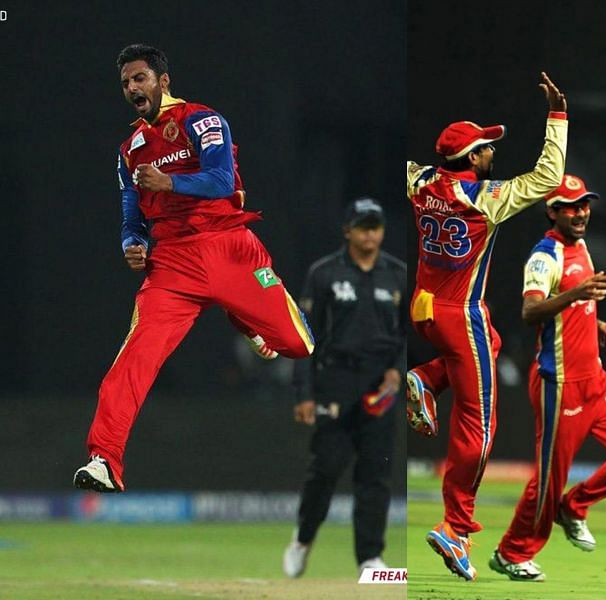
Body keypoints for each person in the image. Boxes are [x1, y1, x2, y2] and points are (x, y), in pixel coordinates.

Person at [73, 44, 314, 492]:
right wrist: (133, 244)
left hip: (229, 248)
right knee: (134, 358)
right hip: (173, 265)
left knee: (299, 345)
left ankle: (248, 319)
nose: (132, 88)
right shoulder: (130, 150)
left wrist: (170, 181)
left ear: (163, 81)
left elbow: (222, 180)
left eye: (139, 78)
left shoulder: (202, 120)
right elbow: (132, 218)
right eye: (126, 82)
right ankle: (104, 458)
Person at [406, 72, 568, 580]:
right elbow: (547, 179)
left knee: (493, 342)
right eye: (486, 148)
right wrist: (557, 117)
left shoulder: (420, 183)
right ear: (472, 158)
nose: (491, 153)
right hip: (461, 314)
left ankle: (426, 379)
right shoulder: (485, 197)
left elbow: (415, 168)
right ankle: (456, 528)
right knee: (480, 426)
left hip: (424, 307)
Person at [489, 175, 606, 582]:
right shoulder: (544, 256)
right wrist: (578, 295)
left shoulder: (580, 245)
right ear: (552, 212)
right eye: (570, 206)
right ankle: (511, 552)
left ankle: (574, 506)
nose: (580, 213)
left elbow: (573, 305)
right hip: (558, 383)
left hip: (594, 379)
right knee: (548, 479)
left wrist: (597, 321)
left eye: (584, 205)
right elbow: (531, 312)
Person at [282, 198, 406, 578]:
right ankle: (303, 539)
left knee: (375, 474)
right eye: (363, 226)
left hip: (380, 385)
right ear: (347, 231)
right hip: (335, 381)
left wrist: (397, 373)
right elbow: (304, 336)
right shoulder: (324, 273)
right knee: (326, 468)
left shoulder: (397, 274)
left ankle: (370, 558)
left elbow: (406, 336)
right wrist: (304, 393)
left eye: (376, 226)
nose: (371, 233)